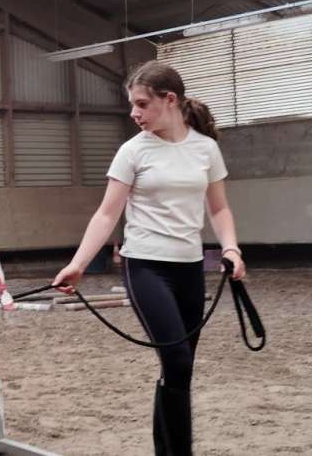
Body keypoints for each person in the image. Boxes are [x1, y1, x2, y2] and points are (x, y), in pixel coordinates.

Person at [52, 60, 246, 456]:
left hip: (190, 268)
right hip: (145, 267)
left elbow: (219, 208)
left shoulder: (206, 149)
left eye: (141, 104)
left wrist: (231, 247)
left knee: (179, 368)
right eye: (132, 105)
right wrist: (78, 264)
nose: (133, 113)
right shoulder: (132, 151)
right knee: (176, 360)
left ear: (169, 99)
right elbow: (107, 214)